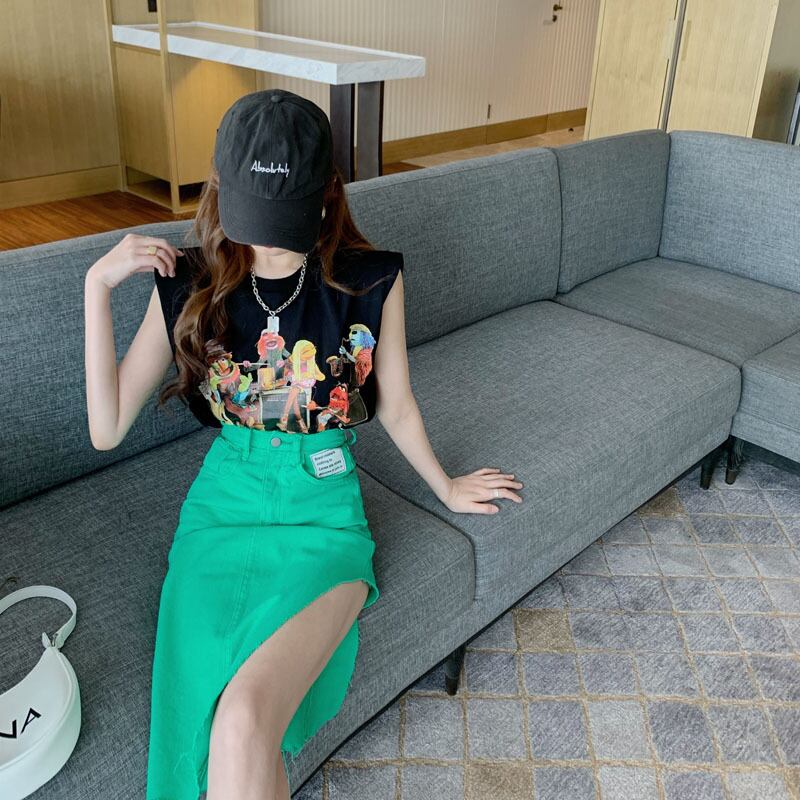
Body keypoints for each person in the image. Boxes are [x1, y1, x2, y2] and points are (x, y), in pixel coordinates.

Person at [83, 88, 524, 800]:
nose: (269, 244)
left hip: (323, 517)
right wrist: (95, 288)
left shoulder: (368, 281)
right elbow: (106, 430)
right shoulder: (190, 283)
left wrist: (446, 486)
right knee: (205, 731)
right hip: (220, 513)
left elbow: (396, 404)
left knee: (243, 722)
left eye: (286, 220)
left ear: (326, 197)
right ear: (221, 192)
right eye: (254, 220)